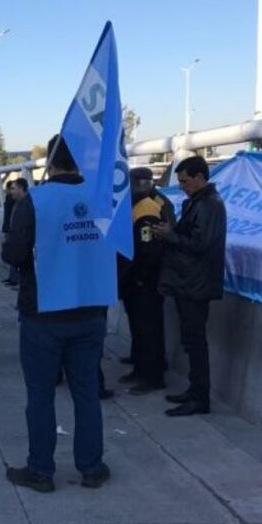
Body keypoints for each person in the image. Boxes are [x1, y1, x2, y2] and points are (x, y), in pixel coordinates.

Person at [2, 135, 113, 493]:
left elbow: (14, 254)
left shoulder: (35, 200)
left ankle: (41, 470)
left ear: (49, 161)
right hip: (92, 307)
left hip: (44, 312)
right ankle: (91, 468)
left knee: (40, 395)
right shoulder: (104, 197)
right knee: (86, 393)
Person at [153, 155, 226, 417]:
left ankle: (200, 397)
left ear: (199, 177)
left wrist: (169, 235)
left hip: (196, 284)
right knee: (191, 340)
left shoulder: (209, 205)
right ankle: (195, 391)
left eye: (185, 181)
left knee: (196, 342)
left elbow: (199, 244)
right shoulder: (197, 202)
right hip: (189, 282)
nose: (182, 186)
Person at [118, 168, 176, 395]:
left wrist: (140, 277)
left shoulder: (149, 208)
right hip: (135, 280)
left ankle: (153, 376)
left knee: (149, 329)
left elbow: (149, 250)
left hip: (145, 281)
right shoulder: (139, 204)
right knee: (139, 327)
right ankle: (140, 367)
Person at [2, 179, 28, 286]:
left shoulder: (27, 205)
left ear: (21, 188)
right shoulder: (17, 203)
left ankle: (16, 280)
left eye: (13, 189)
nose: (10, 192)